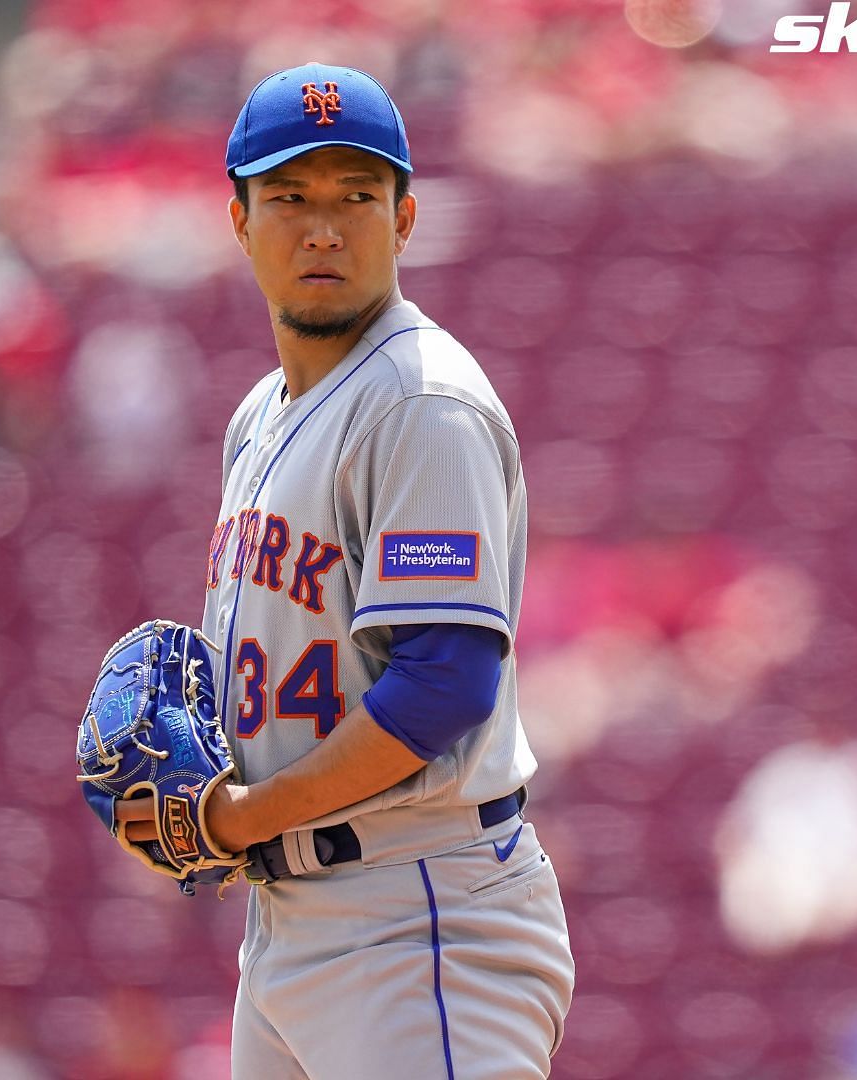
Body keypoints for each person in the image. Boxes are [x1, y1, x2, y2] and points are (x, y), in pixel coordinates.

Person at [113, 64, 574, 1077]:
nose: (323, 227)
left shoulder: (422, 403)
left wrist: (234, 817)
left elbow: (444, 683)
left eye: (356, 197)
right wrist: (209, 792)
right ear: (238, 220)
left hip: (419, 918)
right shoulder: (257, 418)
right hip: (295, 919)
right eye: (288, 197)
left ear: (405, 219)